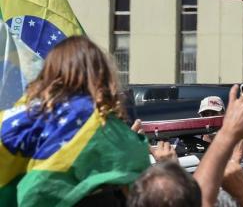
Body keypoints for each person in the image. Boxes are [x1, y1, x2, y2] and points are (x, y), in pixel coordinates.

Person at [0, 36, 150, 207]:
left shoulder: (13, 119)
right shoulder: (101, 122)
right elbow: (136, 171)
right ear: (100, 74)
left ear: (49, 71)